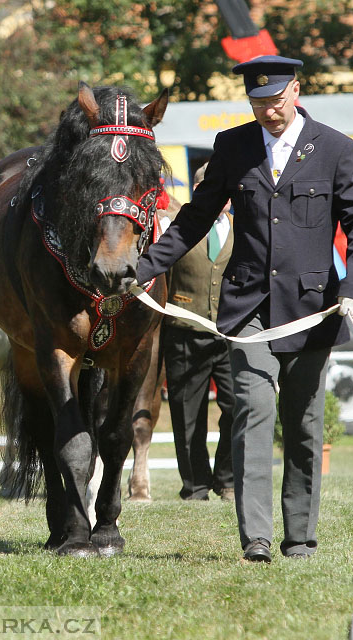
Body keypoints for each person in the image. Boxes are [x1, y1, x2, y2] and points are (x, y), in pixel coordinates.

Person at [136, 56, 353, 562]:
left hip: (313, 309)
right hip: (246, 310)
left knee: (305, 426)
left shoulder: (336, 149)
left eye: (274, 101)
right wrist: (139, 271)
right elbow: (193, 220)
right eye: (257, 103)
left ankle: (301, 538)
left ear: (295, 90)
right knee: (252, 411)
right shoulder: (233, 147)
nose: (267, 112)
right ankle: (258, 539)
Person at [160, 163, 236, 502]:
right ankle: (195, 485)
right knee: (187, 413)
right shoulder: (179, 228)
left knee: (238, 406)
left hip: (232, 334)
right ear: (196, 190)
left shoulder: (245, 228)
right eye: (207, 188)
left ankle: (228, 479)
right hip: (185, 331)